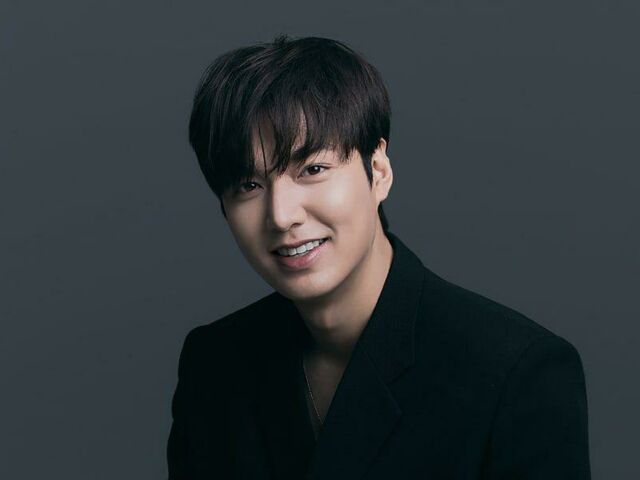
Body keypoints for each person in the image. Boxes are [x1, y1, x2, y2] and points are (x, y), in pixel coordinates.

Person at [167, 34, 591, 479]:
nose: (281, 215)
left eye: (313, 169)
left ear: (379, 171)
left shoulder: (517, 374)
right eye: (249, 185)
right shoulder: (214, 365)